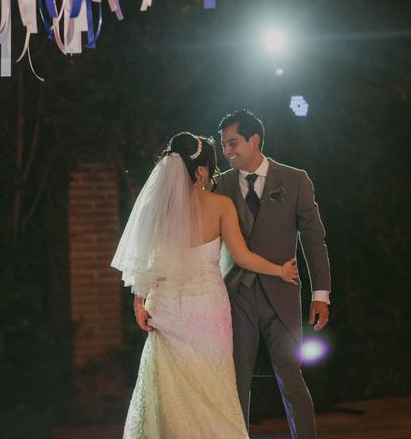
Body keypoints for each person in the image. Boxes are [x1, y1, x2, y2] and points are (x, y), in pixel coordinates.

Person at [111, 132, 299, 438]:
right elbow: (242, 257)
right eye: (210, 167)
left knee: (169, 393)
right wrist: (279, 270)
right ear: (200, 171)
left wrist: (138, 302)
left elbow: (146, 260)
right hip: (207, 312)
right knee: (213, 389)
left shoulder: (157, 210)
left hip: (165, 307)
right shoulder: (221, 205)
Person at [217, 109, 332, 439]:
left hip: (281, 296)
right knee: (236, 381)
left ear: (255, 140)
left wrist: (320, 294)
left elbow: (313, 238)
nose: (227, 151)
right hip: (235, 296)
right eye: (224, 145)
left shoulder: (294, 180)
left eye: (233, 143)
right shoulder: (220, 185)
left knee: (291, 378)